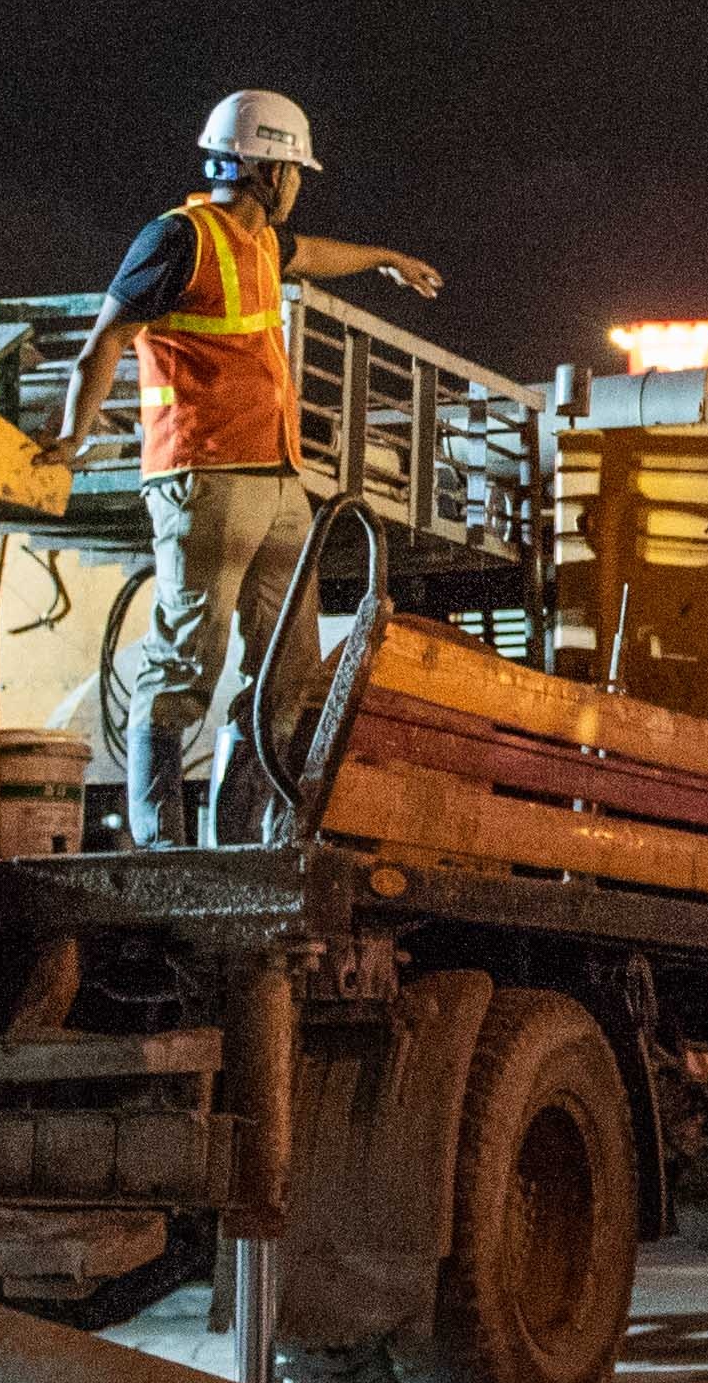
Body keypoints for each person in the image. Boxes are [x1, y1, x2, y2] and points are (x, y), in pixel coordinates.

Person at [61, 90, 445, 846]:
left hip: (277, 479)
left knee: (289, 671)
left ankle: (239, 840)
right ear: (266, 167)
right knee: (185, 665)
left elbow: (317, 255)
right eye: (294, 169)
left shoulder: (264, 244)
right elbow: (105, 340)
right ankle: (160, 843)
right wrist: (68, 440)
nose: (299, 183)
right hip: (203, 476)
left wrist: (386, 261)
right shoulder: (180, 237)